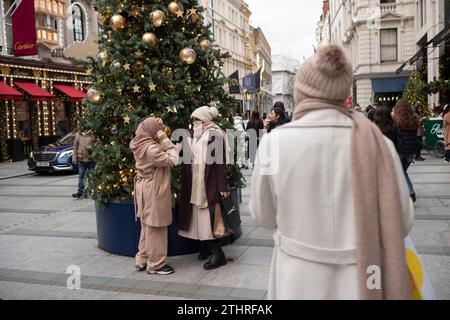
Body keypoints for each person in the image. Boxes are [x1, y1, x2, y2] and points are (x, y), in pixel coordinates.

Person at [249, 44, 413, 300]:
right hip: (363, 279)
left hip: (296, 278)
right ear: (343, 91)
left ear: (302, 90)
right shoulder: (380, 144)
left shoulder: (273, 143)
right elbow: (402, 220)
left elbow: (264, 217)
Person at [178, 106, 231, 271]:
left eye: (198, 119)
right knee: (200, 218)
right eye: (193, 119)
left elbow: (220, 163)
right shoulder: (195, 134)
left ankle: (218, 253)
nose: (194, 122)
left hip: (210, 182)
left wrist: (222, 186)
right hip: (195, 182)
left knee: (211, 218)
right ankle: (207, 248)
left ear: (206, 120)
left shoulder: (215, 134)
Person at [130, 117, 180, 275]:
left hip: (143, 186)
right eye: (158, 128)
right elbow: (174, 159)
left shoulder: (137, 143)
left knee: (146, 224)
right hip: (154, 187)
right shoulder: (151, 149)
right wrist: (167, 142)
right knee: (156, 225)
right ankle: (156, 264)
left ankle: (142, 258)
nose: (161, 131)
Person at [392, 98, 420, 203]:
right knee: (402, 172)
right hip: (411, 151)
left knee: (400, 172)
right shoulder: (414, 118)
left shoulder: (396, 119)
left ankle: (409, 192)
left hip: (400, 150)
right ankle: (407, 192)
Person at [72, 129, 96, 198]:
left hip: (91, 159)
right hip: (81, 159)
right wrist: (74, 158)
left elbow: (97, 144)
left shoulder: (92, 134)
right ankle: (80, 192)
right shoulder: (78, 134)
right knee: (81, 176)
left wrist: (91, 148)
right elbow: (75, 147)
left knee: (92, 176)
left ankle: (94, 192)